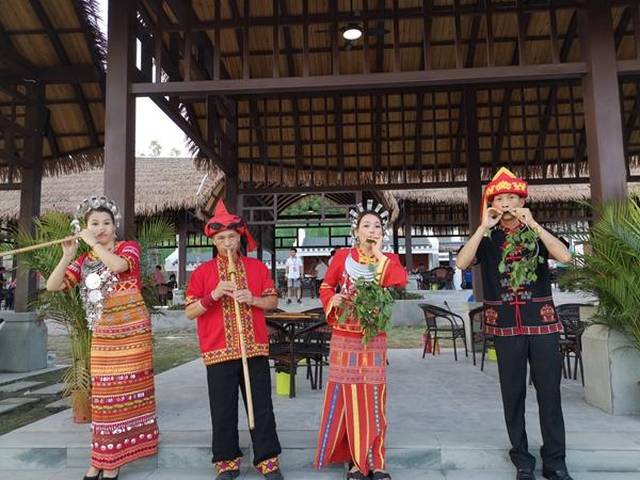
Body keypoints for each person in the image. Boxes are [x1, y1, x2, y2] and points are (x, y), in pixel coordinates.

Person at [456, 168, 574, 480]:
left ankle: (556, 462)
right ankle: (522, 459)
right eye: (500, 198)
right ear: (492, 204)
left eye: (512, 197)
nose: (506, 203)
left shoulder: (535, 232)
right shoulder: (489, 237)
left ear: (521, 200)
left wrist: (533, 223)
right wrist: (483, 226)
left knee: (550, 392)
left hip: (542, 324)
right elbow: (461, 262)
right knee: (513, 393)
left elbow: (564, 256)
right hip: (506, 326)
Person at [45, 197, 158, 480]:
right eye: (94, 224)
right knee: (105, 400)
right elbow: (53, 285)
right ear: (85, 226)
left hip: (133, 334)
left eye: (106, 223)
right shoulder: (84, 261)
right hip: (104, 336)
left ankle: (112, 461)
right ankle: (103, 457)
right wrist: (68, 256)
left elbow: (120, 267)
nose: (100, 228)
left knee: (125, 395)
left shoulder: (128, 248)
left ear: (115, 226)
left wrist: (92, 243)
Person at [185, 200, 284, 480]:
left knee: (261, 405)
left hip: (254, 348)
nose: (227, 242)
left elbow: (273, 301)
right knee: (223, 408)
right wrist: (213, 295)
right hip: (218, 350)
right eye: (221, 238)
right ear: (213, 241)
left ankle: (267, 459)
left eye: (231, 237)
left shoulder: (256, 268)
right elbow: (191, 311)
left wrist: (252, 299)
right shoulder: (203, 273)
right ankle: (226, 462)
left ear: (240, 238)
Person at [314, 201, 407, 480]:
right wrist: (333, 299)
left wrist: (377, 252)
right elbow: (326, 285)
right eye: (366, 225)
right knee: (351, 396)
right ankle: (356, 461)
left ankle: (377, 461)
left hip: (374, 337)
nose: (372, 229)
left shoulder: (388, 259)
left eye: (377, 226)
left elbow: (399, 281)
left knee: (375, 397)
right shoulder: (343, 256)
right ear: (355, 231)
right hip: (345, 336)